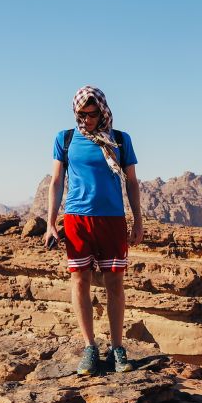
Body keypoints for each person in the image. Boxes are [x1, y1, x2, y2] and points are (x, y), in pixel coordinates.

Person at [43, 85, 143, 375]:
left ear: (102, 111)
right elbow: (56, 181)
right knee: (80, 281)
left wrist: (138, 221)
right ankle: (89, 347)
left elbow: (132, 183)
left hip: (112, 219)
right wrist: (51, 223)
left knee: (114, 284)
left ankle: (117, 348)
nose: (85, 119)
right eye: (81, 114)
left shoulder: (121, 140)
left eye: (91, 114)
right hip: (77, 219)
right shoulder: (65, 139)